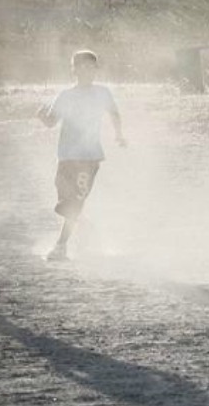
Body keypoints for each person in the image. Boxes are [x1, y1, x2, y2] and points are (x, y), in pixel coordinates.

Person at [37, 50, 127, 261]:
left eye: (92, 67)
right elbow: (51, 122)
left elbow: (114, 113)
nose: (88, 71)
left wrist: (119, 134)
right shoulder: (65, 95)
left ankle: (61, 246)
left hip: (89, 157)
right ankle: (87, 228)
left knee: (74, 204)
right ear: (74, 70)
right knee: (65, 203)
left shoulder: (102, 93)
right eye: (83, 66)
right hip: (66, 157)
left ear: (96, 70)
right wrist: (41, 115)